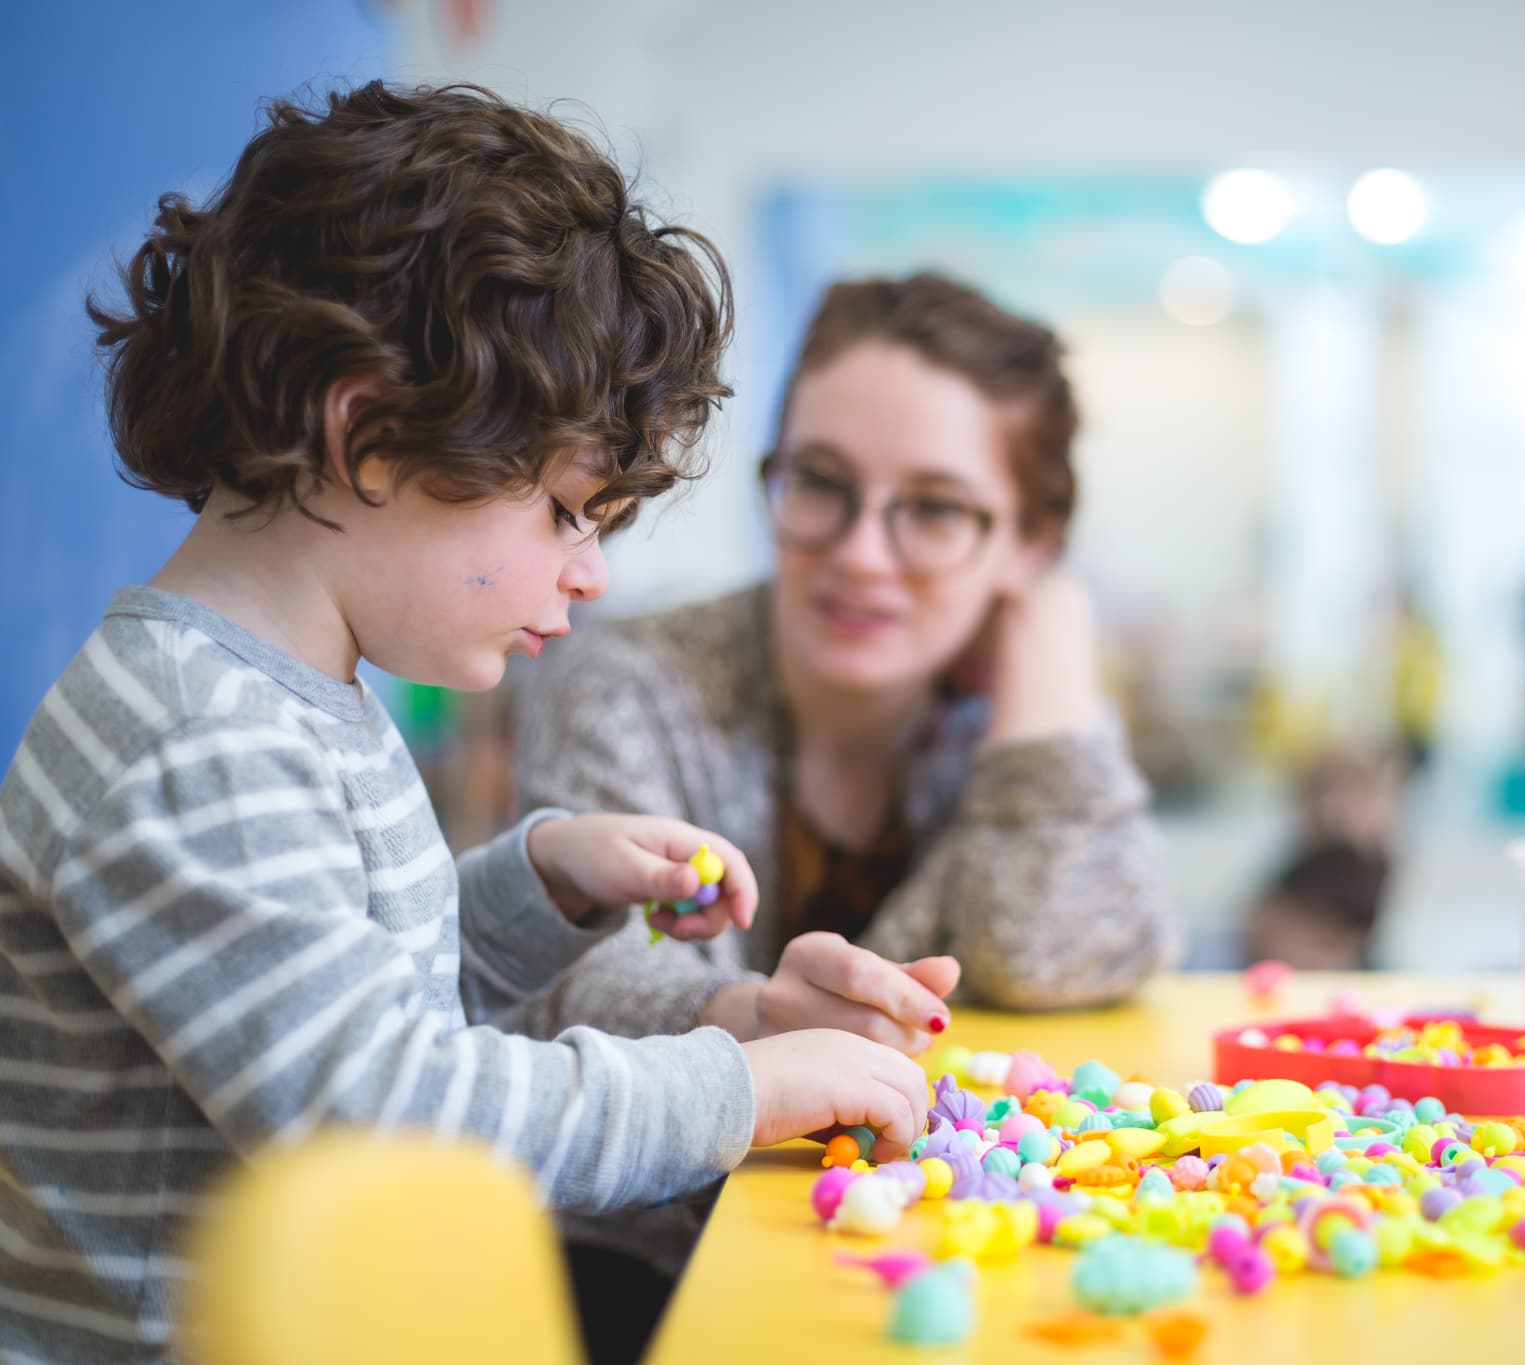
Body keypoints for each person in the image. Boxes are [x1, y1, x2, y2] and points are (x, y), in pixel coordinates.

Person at [0, 83, 927, 1363]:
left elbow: (364, 999)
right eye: (564, 511)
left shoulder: (287, 693)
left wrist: (530, 889)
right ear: (370, 431)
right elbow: (387, 1122)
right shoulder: (188, 743)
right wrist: (734, 1094)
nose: (590, 573)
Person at [508, 273, 1176, 1300]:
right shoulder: (626, 682)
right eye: (820, 483)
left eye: (936, 510)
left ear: (1029, 544)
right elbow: (580, 987)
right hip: (642, 1272)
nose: (860, 556)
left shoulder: (1012, 719)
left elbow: (1057, 953)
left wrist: (1050, 669)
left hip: (938, 1259)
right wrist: (752, 1017)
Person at [1244, 748, 1399, 969]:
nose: (1334, 809)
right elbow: (1259, 926)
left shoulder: (1375, 864)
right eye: (1324, 796)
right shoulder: (1299, 865)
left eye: (1353, 794)